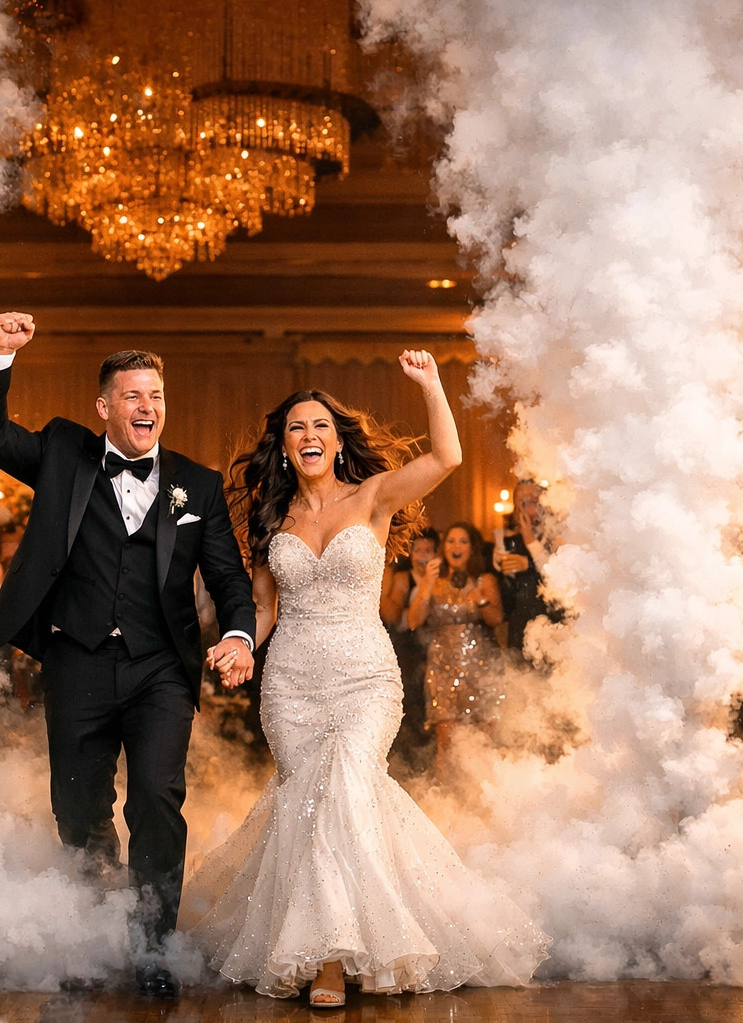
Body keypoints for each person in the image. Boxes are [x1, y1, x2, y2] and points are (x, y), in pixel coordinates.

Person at [185, 354, 549, 1006]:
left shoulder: (374, 495)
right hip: (291, 686)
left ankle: (331, 960)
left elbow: (446, 459)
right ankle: (336, 940)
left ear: (335, 436)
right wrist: (240, 645)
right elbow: (265, 607)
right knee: (314, 807)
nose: (307, 435)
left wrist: (433, 385)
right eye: (295, 427)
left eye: (318, 424)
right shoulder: (273, 517)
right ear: (285, 443)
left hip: (364, 681)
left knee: (348, 788)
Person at [0, 312, 256, 1000]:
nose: (146, 406)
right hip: (76, 660)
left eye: (154, 395)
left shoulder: (198, 485)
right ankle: (98, 935)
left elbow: (228, 578)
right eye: (132, 395)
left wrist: (239, 633)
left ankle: (153, 946)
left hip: (161, 668)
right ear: (104, 407)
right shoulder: (64, 453)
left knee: (156, 798)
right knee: (80, 808)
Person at [409, 521, 505, 765]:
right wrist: (427, 585)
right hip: (443, 668)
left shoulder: (484, 580)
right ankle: (446, 800)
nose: (456, 546)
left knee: (484, 740)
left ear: (471, 548)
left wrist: (480, 598)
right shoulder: (434, 582)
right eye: (451, 540)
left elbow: (496, 619)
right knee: (446, 743)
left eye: (463, 541)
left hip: (480, 666)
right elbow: (413, 621)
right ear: (444, 548)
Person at [379, 527, 439, 765]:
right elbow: (391, 615)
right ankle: (409, 760)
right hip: (409, 649)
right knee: (411, 705)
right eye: (418, 550)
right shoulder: (402, 578)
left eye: (428, 550)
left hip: (436, 648)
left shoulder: (443, 577)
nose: (423, 555)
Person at [494, 479, 557, 659]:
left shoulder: (556, 534)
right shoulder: (506, 538)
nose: (525, 505)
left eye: (531, 500)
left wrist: (528, 562)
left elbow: (557, 575)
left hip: (551, 627)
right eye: (520, 500)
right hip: (520, 629)